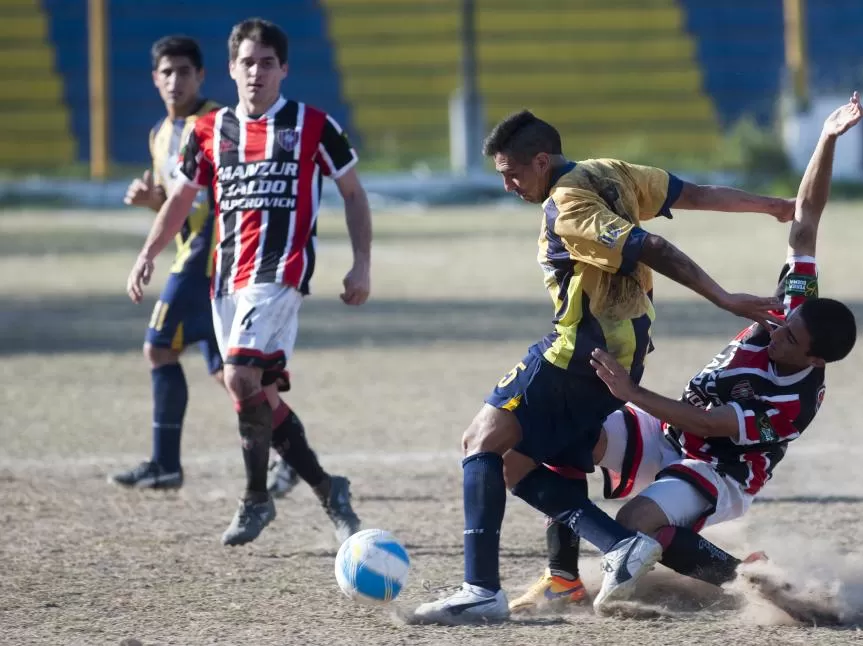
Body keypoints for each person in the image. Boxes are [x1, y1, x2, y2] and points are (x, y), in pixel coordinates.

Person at [413, 109, 799, 624]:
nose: (506, 185)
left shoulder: (567, 205)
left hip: (575, 353)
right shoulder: (607, 171)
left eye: (511, 173)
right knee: (527, 461)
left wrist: (724, 297)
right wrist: (772, 206)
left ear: (542, 160)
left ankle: (484, 588)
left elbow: (653, 246)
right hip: (623, 358)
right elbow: (692, 193)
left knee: (480, 442)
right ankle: (572, 573)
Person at [509, 93, 863, 614]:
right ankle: (563, 578)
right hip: (667, 433)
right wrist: (827, 139)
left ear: (814, 361)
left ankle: (748, 578)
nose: (776, 330)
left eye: (789, 338)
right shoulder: (794, 313)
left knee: (636, 523)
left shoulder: (792, 405)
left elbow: (709, 423)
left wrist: (631, 393)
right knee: (562, 433)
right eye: (785, 321)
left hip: (717, 470)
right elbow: (807, 217)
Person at [126, 18, 371, 547]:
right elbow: (181, 200)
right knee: (256, 393)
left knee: (238, 376)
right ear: (232, 69)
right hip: (225, 277)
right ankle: (330, 490)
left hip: (279, 273)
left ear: (283, 68)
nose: (256, 72)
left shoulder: (312, 125)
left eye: (266, 62)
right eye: (247, 62)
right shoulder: (209, 132)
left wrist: (361, 263)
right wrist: (148, 252)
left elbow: (353, 192)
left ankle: (256, 497)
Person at [110, 36, 225, 490]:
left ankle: (165, 462)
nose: (175, 80)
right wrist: (149, 201)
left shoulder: (218, 122)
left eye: (184, 71)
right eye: (166, 72)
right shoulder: (159, 134)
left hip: (212, 250)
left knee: (158, 346)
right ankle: (292, 457)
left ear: (201, 76)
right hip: (190, 248)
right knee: (229, 373)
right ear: (155, 79)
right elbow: (175, 196)